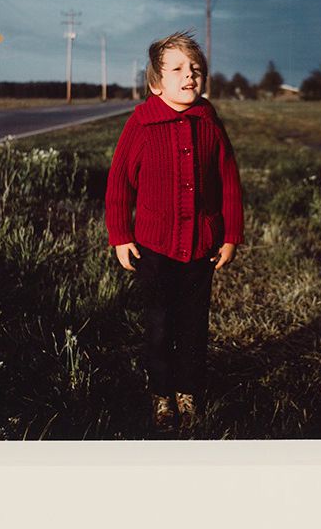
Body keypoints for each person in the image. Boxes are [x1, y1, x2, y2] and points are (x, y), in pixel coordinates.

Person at [104, 31, 244, 433]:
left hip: (201, 245)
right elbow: (118, 183)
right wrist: (121, 235)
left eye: (195, 70)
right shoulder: (143, 123)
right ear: (155, 82)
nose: (189, 77)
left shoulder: (207, 120)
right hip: (155, 246)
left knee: (194, 325)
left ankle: (189, 390)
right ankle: (162, 394)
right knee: (160, 324)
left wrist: (230, 234)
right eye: (178, 69)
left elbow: (228, 178)